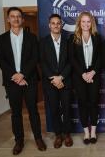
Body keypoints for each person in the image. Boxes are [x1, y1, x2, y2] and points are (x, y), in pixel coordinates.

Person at [0, 7, 46, 155]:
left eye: (18, 16)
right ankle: (19, 140)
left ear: (22, 19)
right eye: (13, 16)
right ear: (8, 19)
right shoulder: (1, 39)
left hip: (29, 80)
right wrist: (15, 75)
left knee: (33, 111)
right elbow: (1, 60)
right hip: (12, 82)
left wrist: (22, 74)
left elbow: (35, 58)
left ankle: (38, 138)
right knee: (16, 113)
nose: (16, 19)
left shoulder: (31, 37)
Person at [39, 14, 73, 148]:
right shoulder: (43, 42)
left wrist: (61, 77)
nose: (56, 25)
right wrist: (54, 78)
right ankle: (58, 135)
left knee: (67, 109)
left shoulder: (68, 42)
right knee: (54, 109)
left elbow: (71, 62)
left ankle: (67, 134)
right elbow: (42, 63)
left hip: (65, 81)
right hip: (50, 82)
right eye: (53, 23)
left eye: (58, 23)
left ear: (61, 25)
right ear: (49, 25)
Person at [68, 12, 102, 145]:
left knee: (93, 103)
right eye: (83, 21)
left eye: (88, 21)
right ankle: (86, 133)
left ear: (91, 23)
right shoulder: (73, 38)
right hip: (79, 76)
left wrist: (92, 72)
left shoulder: (97, 37)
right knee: (82, 104)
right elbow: (72, 58)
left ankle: (93, 131)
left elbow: (100, 57)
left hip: (93, 75)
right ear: (79, 23)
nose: (86, 24)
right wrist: (83, 74)